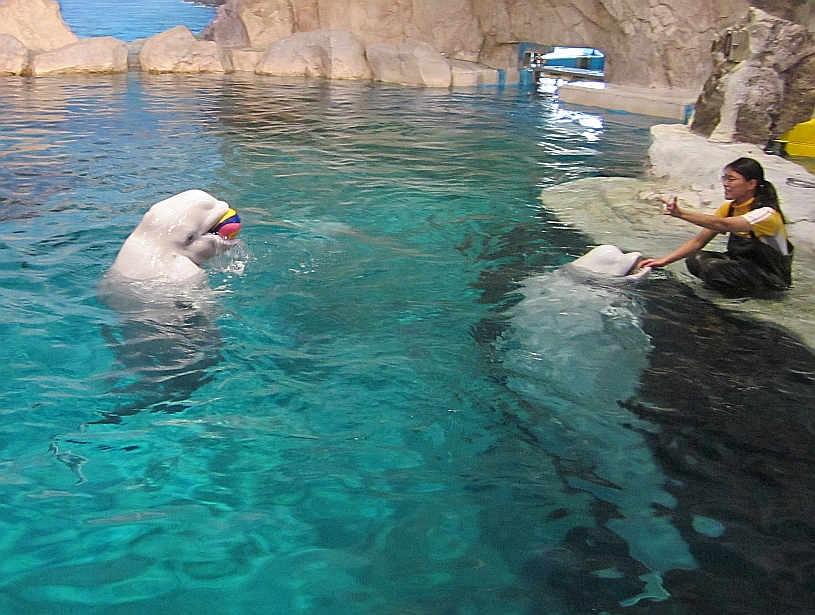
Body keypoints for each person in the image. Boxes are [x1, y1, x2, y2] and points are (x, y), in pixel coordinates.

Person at [640, 157, 793, 294]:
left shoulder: (766, 214)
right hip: (743, 267)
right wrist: (663, 261)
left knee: (713, 268)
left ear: (751, 184)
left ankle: (749, 294)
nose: (726, 184)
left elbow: (724, 225)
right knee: (696, 258)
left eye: (732, 179)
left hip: (770, 276)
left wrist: (682, 213)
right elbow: (698, 241)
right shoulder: (730, 208)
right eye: (724, 178)